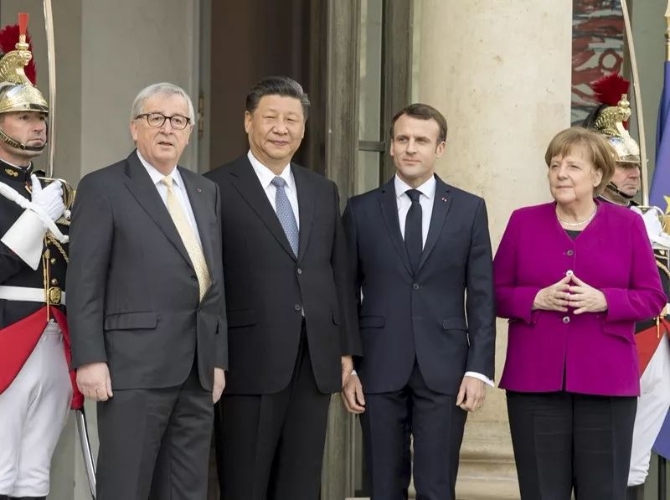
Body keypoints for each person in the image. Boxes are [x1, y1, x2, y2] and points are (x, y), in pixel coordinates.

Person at [67, 82, 227, 500]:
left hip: (196, 369)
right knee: (127, 486)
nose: (167, 128)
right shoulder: (103, 187)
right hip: (132, 368)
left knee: (185, 489)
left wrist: (217, 358)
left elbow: (212, 282)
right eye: (156, 118)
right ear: (134, 128)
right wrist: (90, 359)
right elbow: (84, 281)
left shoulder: (204, 191)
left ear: (189, 132)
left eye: (178, 121)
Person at [204, 75, 361, 500]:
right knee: (245, 483)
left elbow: (337, 274)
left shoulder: (321, 190)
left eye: (292, 119)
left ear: (303, 128)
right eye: (270, 117)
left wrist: (346, 349)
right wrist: (212, 354)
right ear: (247, 121)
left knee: (301, 484)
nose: (281, 128)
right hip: (247, 361)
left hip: (314, 361)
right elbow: (208, 281)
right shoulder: (213, 188)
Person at [494, 126, 667, 499]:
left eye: (573, 166)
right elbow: (493, 294)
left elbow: (653, 297)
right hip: (534, 384)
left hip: (607, 385)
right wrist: (536, 298)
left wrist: (606, 300)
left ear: (598, 175)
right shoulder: (523, 222)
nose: (561, 174)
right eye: (555, 165)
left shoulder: (629, 225)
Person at [340, 103, 496, 500]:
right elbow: (344, 293)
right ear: (392, 146)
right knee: (382, 486)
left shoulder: (469, 209)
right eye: (403, 139)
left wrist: (478, 370)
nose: (411, 148)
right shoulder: (360, 209)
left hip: (446, 369)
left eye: (421, 140)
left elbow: (482, 296)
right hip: (377, 366)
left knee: (437, 487)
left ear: (439, 148)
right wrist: (348, 365)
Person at [0, 19, 80, 500]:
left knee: (35, 471)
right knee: (1, 465)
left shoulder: (53, 189)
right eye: (24, 117)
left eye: (41, 117)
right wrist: (36, 219)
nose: (38, 126)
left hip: (56, 333)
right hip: (7, 330)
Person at [583, 73, 670, 500]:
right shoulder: (589, 218)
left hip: (660, 340)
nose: (634, 174)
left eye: (636, 165)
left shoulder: (652, 217)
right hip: (620, 342)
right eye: (624, 166)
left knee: (637, 462)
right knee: (606, 457)